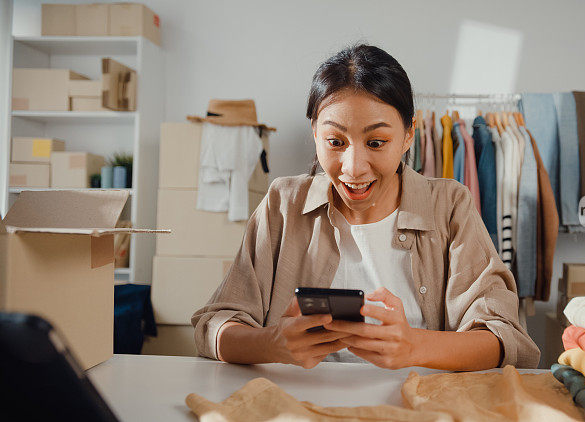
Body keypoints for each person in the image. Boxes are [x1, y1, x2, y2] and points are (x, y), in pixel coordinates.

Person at [191, 44, 540, 371]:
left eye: (376, 142)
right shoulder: (282, 204)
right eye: (335, 142)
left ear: (408, 136)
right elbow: (214, 325)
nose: (354, 167)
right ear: (315, 133)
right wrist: (271, 344)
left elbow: (506, 339)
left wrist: (414, 347)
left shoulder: (449, 206)